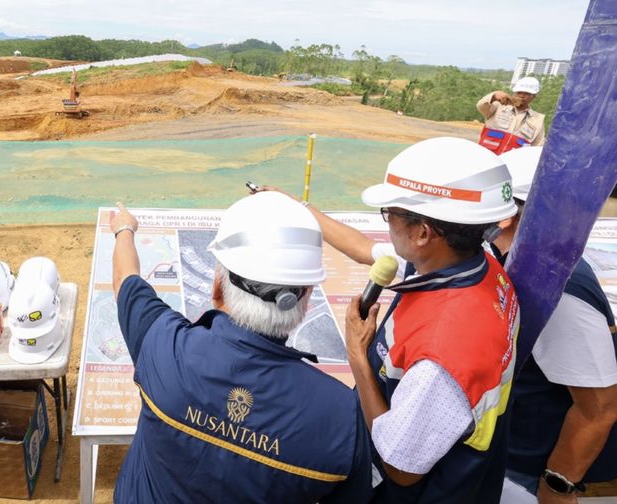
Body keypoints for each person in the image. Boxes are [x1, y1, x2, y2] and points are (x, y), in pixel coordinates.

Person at [269, 137, 520, 502]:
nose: (386, 223)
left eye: (390, 213)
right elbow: (362, 248)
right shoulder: (477, 266)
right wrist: (298, 207)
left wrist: (357, 354)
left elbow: (401, 468)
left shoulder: (442, 357)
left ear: (422, 233)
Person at [109, 192, 373, 503]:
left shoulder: (163, 344)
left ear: (217, 287)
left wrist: (124, 230)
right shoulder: (342, 417)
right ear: (305, 300)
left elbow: (126, 280)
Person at [494, 147, 617, 503]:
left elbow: (599, 409)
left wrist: (558, 485)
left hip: (529, 473)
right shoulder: (524, 263)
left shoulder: (558, 291)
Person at [477, 76, 546, 154]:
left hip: (511, 163)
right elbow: (480, 106)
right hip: (488, 157)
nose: (522, 96)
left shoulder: (538, 120)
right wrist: (493, 96)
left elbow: (537, 147)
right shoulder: (498, 106)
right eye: (519, 92)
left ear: (534, 96)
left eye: (527, 93)